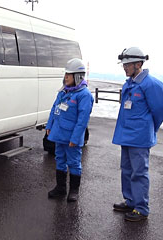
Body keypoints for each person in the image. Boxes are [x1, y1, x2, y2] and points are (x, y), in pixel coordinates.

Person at [112, 47, 163, 222]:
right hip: (126, 135)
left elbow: (160, 110)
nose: (125, 68)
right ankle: (130, 201)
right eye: (124, 65)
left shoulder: (151, 84)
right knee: (126, 170)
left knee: (139, 172)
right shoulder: (129, 83)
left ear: (138, 64)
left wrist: (150, 129)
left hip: (139, 138)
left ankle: (141, 208)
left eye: (127, 65)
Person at [46, 58, 94, 202]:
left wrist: (75, 138)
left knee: (73, 162)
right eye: (65, 74)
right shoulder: (63, 92)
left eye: (69, 74)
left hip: (72, 136)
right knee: (59, 159)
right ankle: (60, 188)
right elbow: (53, 110)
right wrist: (49, 126)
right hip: (59, 133)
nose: (65, 77)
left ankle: (74, 190)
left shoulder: (84, 95)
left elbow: (82, 121)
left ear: (78, 76)